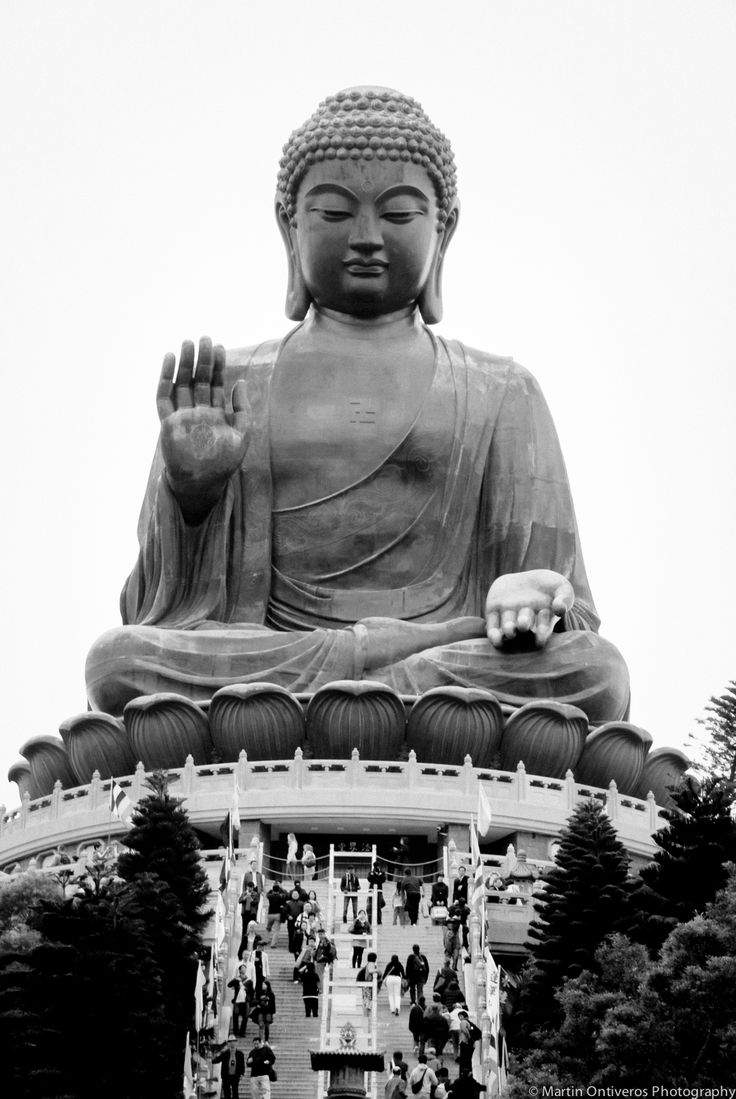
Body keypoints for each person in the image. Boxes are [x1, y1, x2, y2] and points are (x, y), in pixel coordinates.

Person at [88, 86, 630, 739]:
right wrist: (192, 494)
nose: (368, 237)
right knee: (119, 662)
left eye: (400, 214)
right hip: (275, 660)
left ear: (444, 229)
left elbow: (556, 606)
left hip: (430, 663)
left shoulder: (501, 390)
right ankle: (369, 689)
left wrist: (534, 597)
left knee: (596, 673)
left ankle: (352, 693)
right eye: (335, 213)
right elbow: (157, 614)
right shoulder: (230, 386)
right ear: (290, 227)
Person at [357, 950, 380, 1016]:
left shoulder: (368, 964)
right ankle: (366, 1016)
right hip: (368, 986)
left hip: (366, 986)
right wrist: (378, 971)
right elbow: (370, 971)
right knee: (367, 1001)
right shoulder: (371, 964)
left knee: (366, 1001)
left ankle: (366, 1015)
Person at [265, 881, 285, 947]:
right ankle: (273, 944)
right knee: (276, 930)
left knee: (268, 928)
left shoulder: (270, 896)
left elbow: (266, 894)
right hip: (277, 915)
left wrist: (271, 888)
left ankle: (266, 940)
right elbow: (285, 894)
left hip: (270, 914)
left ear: (273, 890)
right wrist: (280, 887)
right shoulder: (280, 896)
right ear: (278, 890)